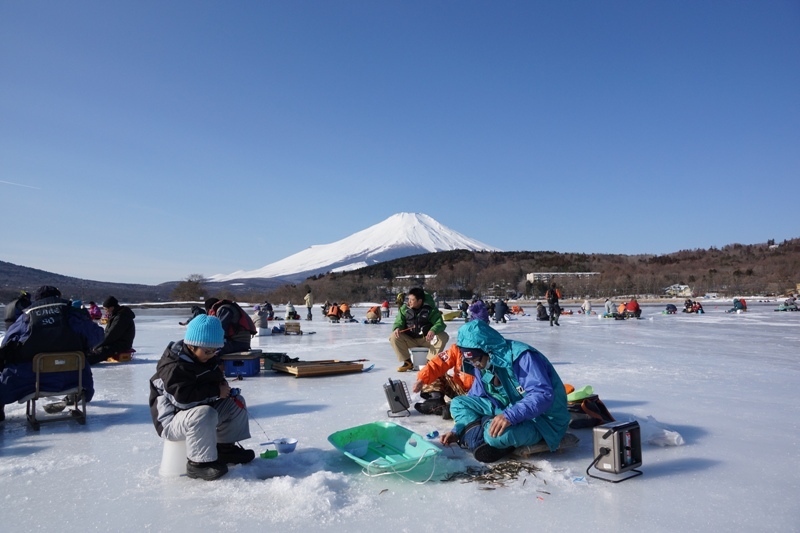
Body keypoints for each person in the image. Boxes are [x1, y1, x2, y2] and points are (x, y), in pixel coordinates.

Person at [439, 320, 569, 463]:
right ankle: (475, 430)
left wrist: (509, 416)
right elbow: (474, 398)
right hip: (504, 409)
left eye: (476, 360)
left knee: (495, 436)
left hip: (542, 420)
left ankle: (478, 433)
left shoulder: (522, 357)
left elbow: (542, 395)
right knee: (458, 403)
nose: (475, 365)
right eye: (470, 361)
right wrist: (457, 430)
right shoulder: (482, 365)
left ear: (489, 351)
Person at [148, 315, 255, 481]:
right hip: (171, 420)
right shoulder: (174, 366)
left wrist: (224, 389)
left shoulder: (205, 358)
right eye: (207, 351)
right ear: (191, 346)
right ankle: (198, 464)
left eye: (215, 351)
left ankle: (225, 449)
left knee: (236, 402)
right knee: (204, 414)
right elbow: (182, 399)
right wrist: (215, 392)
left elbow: (214, 381)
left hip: (197, 412)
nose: (212, 355)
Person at [0, 286, 103, 422]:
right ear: (58, 297)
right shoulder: (73, 314)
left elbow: (6, 344)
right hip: (76, 379)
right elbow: (98, 336)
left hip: (30, 380)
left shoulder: (26, 318)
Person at [389, 287, 449, 372]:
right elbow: (398, 322)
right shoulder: (404, 309)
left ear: (420, 301)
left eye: (412, 300)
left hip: (427, 339)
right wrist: (397, 328)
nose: (409, 302)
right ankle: (407, 362)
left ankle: (430, 362)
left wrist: (433, 330)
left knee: (443, 336)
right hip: (410, 339)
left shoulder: (431, 310)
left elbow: (440, 323)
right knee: (393, 336)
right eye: (408, 299)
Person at [88, 296, 136, 364]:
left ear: (112, 308)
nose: (105, 311)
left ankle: (84, 362)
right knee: (95, 348)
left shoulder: (121, 317)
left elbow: (112, 335)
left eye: (106, 309)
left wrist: (98, 345)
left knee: (101, 351)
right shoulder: (116, 315)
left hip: (122, 344)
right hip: (115, 342)